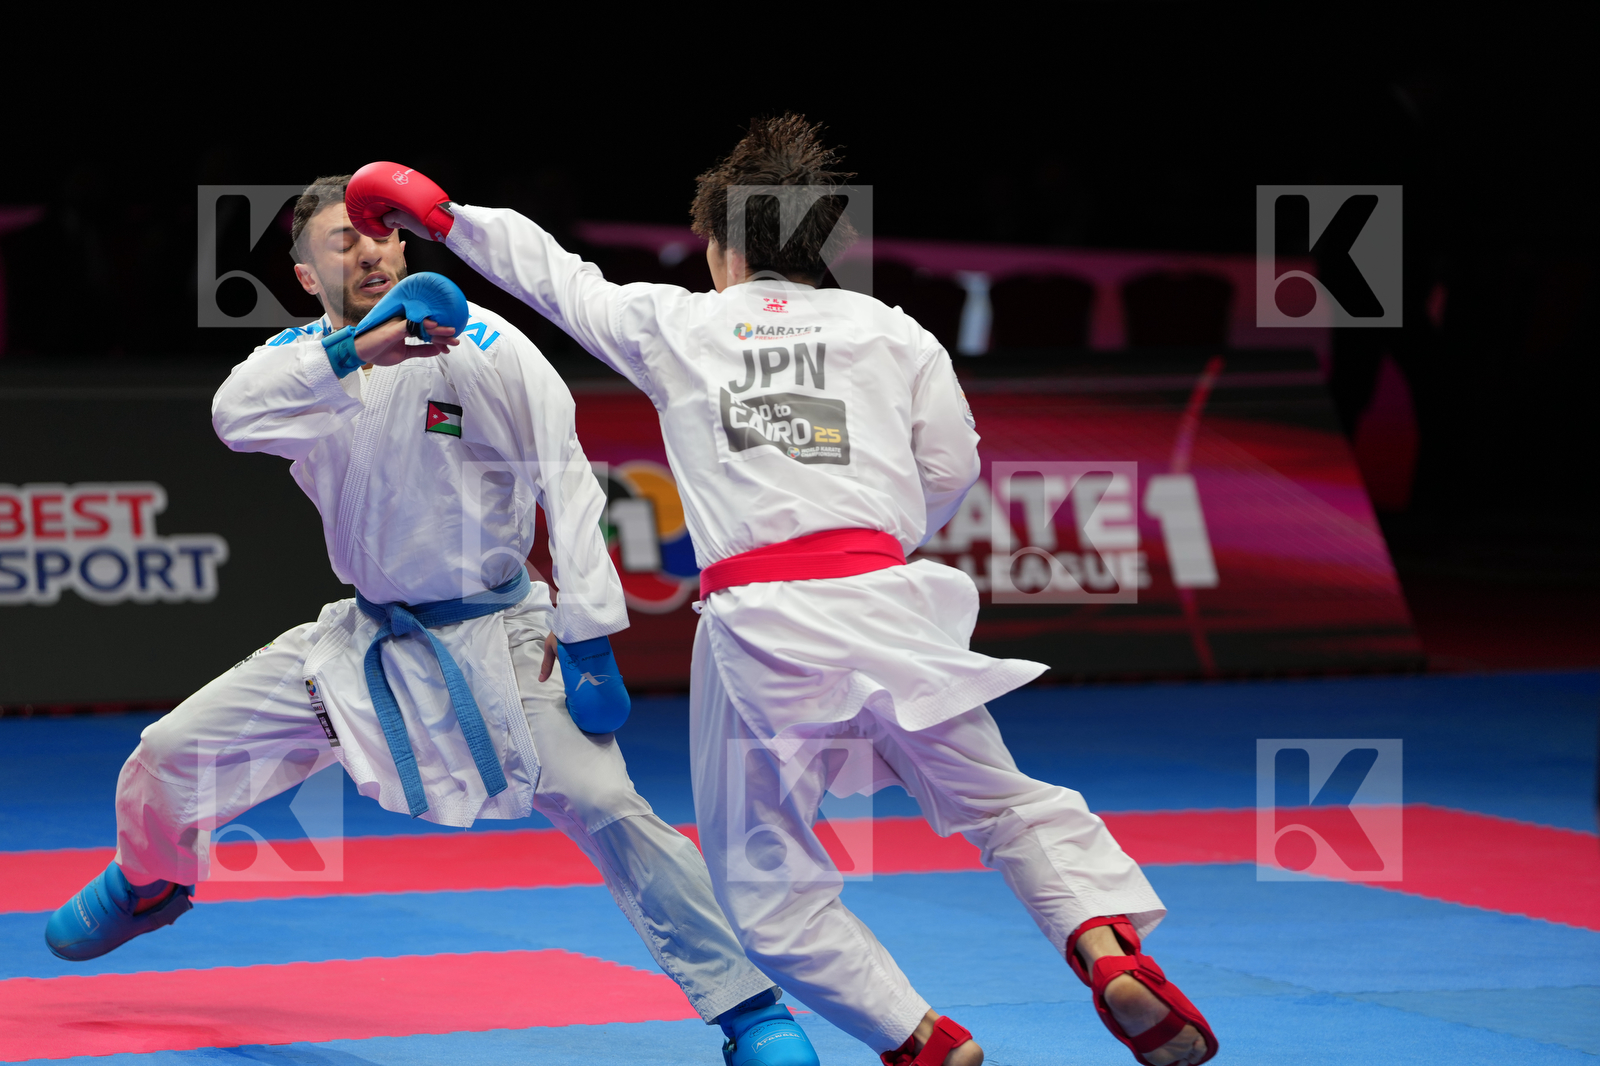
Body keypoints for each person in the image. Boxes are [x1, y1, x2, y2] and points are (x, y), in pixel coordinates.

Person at [348, 116, 1222, 1066]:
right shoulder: (892, 329)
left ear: (720, 250)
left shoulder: (681, 323)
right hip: (889, 601)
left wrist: (443, 215)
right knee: (1009, 805)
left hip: (757, 631)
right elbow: (951, 465)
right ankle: (1105, 947)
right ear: (821, 246)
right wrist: (870, 530)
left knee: (765, 890)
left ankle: (924, 1041)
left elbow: (555, 278)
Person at [43, 174, 820, 1066]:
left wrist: (592, 636)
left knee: (609, 803)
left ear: (407, 246)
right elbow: (231, 417)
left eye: (381, 235)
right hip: (364, 644)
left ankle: (751, 1013)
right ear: (305, 276)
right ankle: (151, 882)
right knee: (169, 754)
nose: (368, 250)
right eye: (342, 241)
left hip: (501, 635)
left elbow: (564, 478)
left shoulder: (483, 345)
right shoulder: (303, 364)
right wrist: (356, 355)